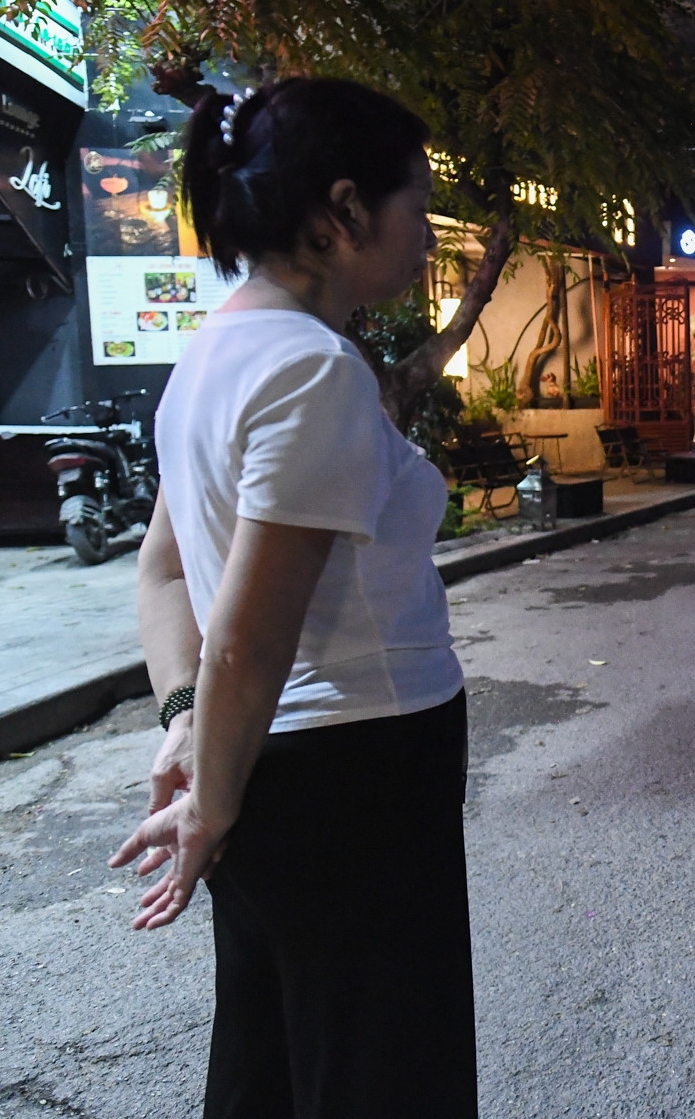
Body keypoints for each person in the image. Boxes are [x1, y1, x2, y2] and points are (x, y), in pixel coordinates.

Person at [113, 79, 477, 1118]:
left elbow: (167, 574)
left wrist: (190, 735)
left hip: (277, 766)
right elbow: (246, 637)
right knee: (381, 1070)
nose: (427, 235)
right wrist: (209, 793)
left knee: (275, 1061)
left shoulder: (212, 355)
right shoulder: (312, 372)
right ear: (345, 208)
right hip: (356, 773)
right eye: (417, 206)